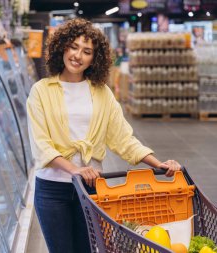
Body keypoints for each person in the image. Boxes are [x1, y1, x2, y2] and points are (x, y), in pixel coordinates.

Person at [26, 18, 181, 253]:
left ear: (94, 59)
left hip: (91, 187)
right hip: (52, 189)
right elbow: (41, 144)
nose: (78, 55)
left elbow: (123, 138)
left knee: (90, 249)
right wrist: (74, 169)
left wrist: (158, 163)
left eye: (86, 51)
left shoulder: (102, 93)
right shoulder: (40, 91)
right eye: (74, 46)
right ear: (62, 47)